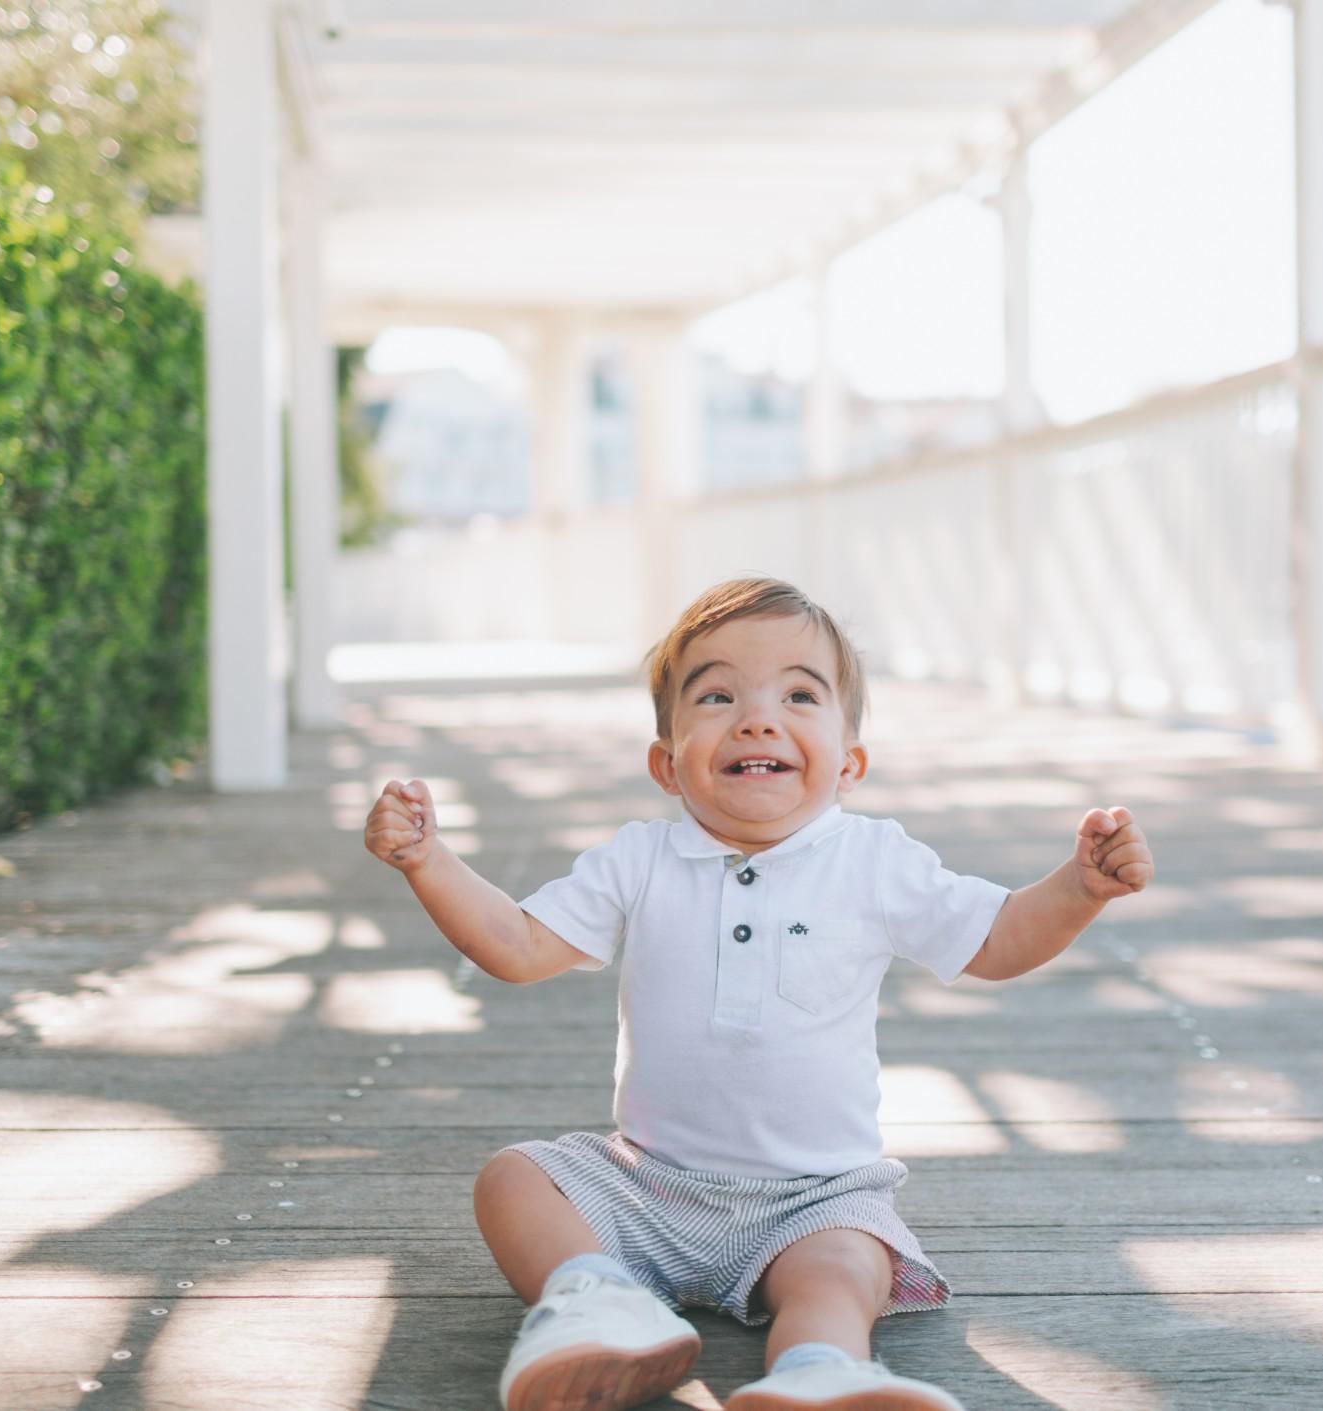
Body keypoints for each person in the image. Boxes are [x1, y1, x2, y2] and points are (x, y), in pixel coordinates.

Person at [364, 577, 1153, 1411]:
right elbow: (517, 946)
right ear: (666, 763)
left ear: (848, 762)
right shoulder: (640, 858)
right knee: (514, 1179)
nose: (757, 717)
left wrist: (1077, 887)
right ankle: (597, 1301)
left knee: (848, 1264)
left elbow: (993, 940)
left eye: (799, 693)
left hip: (813, 1196)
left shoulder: (874, 860)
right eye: (716, 694)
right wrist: (429, 861)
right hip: (647, 1183)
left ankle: (819, 1371)